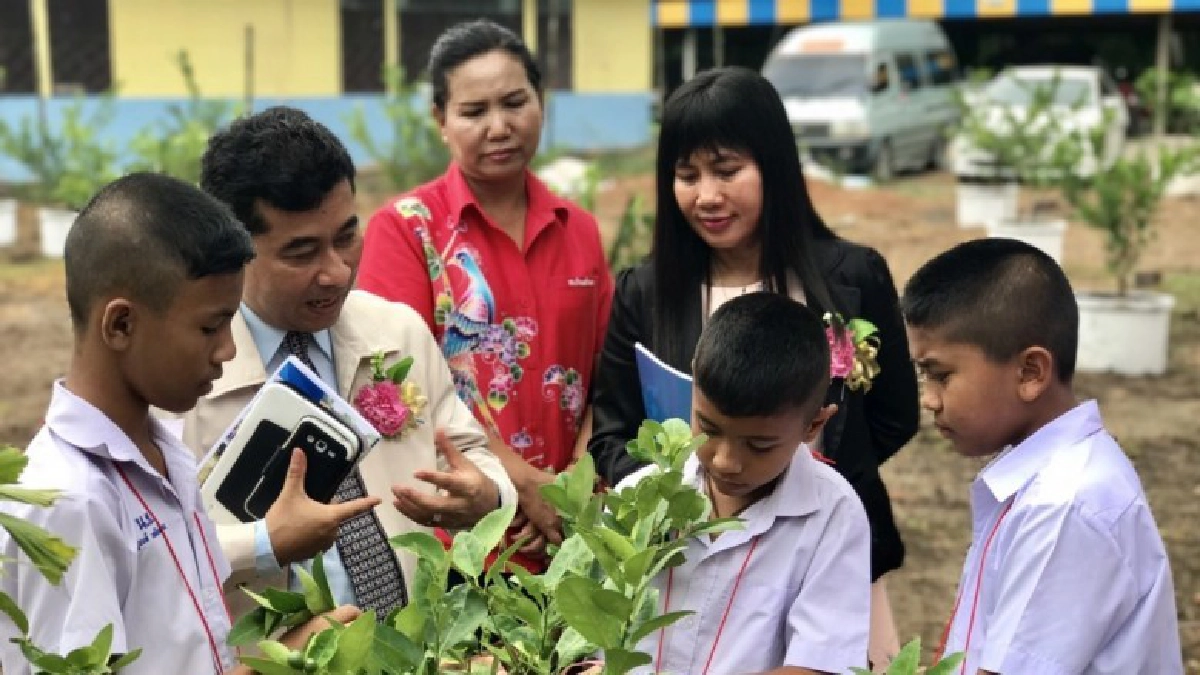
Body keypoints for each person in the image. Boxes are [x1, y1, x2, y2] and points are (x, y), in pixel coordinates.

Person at [587, 66, 918, 667]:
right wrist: (688, 489)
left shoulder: (850, 278)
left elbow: (895, 414)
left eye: (727, 170)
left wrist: (797, 481)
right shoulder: (644, 291)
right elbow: (612, 432)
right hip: (685, 563)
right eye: (686, 175)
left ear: (776, 166)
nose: (706, 195)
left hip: (816, 554)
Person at [0, 173, 356, 674]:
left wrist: (287, 656)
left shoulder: (164, 451)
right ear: (121, 325)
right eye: (211, 327)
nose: (227, 350)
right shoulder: (72, 502)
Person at [181, 106, 518, 621]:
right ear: (234, 251)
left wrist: (487, 495)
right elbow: (156, 560)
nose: (336, 273)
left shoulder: (397, 331)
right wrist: (264, 543)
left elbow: (470, 453)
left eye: (345, 237)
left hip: (413, 648)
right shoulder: (184, 377)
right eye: (301, 253)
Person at [357, 19, 613, 569]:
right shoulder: (406, 230)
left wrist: (573, 486)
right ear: (441, 120)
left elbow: (603, 375)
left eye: (515, 102)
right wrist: (521, 484)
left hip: (570, 532)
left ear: (541, 102)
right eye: (474, 112)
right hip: (460, 540)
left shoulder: (580, 229)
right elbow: (397, 390)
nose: (499, 127)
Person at [901, 238, 1183, 674]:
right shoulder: (1047, 481)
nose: (930, 400)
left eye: (941, 376)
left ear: (1030, 372)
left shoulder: (1063, 505)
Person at [620, 292, 870, 674]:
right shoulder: (640, 496)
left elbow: (820, 663)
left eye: (759, 445)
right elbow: (589, 641)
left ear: (814, 425)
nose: (726, 461)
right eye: (708, 428)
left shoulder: (833, 517)